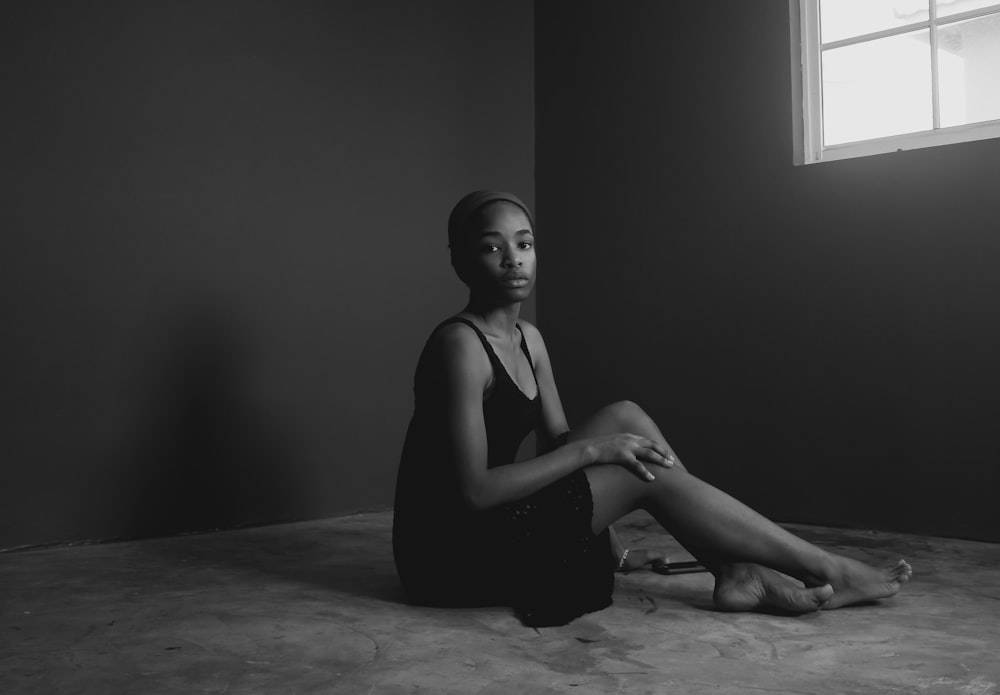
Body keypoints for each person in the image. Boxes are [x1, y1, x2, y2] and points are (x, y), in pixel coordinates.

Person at [392, 190, 911, 626]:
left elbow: (558, 449)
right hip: (451, 553)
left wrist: (612, 546)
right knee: (632, 468)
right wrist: (598, 451)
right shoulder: (459, 346)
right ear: (462, 261)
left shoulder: (528, 338)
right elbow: (476, 492)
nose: (514, 259)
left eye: (524, 244)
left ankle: (733, 572)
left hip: (499, 522)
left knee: (627, 416)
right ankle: (822, 569)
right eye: (492, 247)